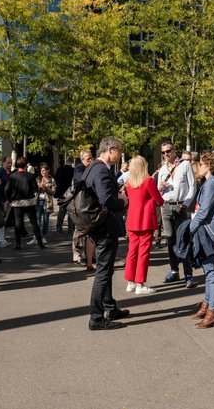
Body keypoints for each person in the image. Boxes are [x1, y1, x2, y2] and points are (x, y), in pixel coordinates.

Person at [86, 136, 130, 331]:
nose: (120, 155)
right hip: (105, 227)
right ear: (111, 150)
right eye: (119, 151)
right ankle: (96, 318)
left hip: (97, 226)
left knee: (106, 269)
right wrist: (123, 202)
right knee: (103, 272)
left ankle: (110, 308)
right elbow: (107, 200)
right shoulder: (101, 170)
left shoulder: (92, 168)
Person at [186, 151, 214, 328]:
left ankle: (212, 312)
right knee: (208, 270)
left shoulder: (211, 184)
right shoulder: (209, 182)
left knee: (211, 271)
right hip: (205, 229)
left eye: (202, 164)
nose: (199, 167)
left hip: (207, 230)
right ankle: (207, 306)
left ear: (209, 165)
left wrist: (190, 228)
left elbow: (203, 211)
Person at [157, 141, 198, 288]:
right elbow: (157, 190)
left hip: (181, 206)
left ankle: (188, 274)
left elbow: (192, 186)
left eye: (168, 151)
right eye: (163, 152)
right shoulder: (162, 169)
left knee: (183, 239)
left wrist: (186, 204)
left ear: (174, 151)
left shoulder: (184, 165)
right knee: (170, 240)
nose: (166, 154)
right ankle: (174, 270)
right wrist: (160, 188)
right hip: (166, 206)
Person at [123, 155, 164, 295]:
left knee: (132, 251)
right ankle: (140, 284)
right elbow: (159, 201)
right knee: (143, 253)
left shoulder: (129, 182)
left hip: (132, 220)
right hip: (146, 220)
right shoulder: (148, 181)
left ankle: (130, 282)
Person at [5, 156, 45, 250]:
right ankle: (40, 243)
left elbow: (7, 189)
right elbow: (35, 188)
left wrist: (10, 200)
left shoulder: (13, 176)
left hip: (17, 202)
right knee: (34, 222)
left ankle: (18, 244)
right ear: (26, 165)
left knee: (18, 223)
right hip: (29, 202)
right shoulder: (30, 175)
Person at [73, 150, 95, 269]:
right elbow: (82, 181)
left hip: (89, 203)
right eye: (88, 158)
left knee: (90, 229)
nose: (90, 160)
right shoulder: (79, 168)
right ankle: (77, 256)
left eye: (91, 157)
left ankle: (89, 255)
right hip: (80, 203)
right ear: (82, 159)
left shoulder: (91, 167)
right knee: (79, 230)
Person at [34, 164, 56, 243]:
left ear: (48, 170)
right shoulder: (37, 179)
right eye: (41, 170)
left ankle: (44, 237)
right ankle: (36, 237)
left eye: (44, 170)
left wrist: (45, 188)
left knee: (46, 220)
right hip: (38, 201)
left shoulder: (52, 180)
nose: (42, 172)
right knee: (37, 220)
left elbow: (53, 192)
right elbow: (33, 190)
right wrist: (38, 188)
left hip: (47, 202)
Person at [0, 156, 13, 248]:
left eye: (11, 162)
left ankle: (2, 238)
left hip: (8, 200)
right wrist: (3, 200)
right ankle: (1, 240)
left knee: (4, 220)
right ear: (3, 162)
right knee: (1, 220)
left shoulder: (8, 173)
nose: (10, 164)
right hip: (3, 200)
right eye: (8, 162)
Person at [54, 156, 75, 234]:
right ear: (72, 162)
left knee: (61, 211)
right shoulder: (73, 170)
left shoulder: (60, 169)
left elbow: (56, 179)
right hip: (70, 193)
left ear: (66, 160)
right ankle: (70, 229)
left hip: (61, 192)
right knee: (70, 212)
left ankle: (59, 228)